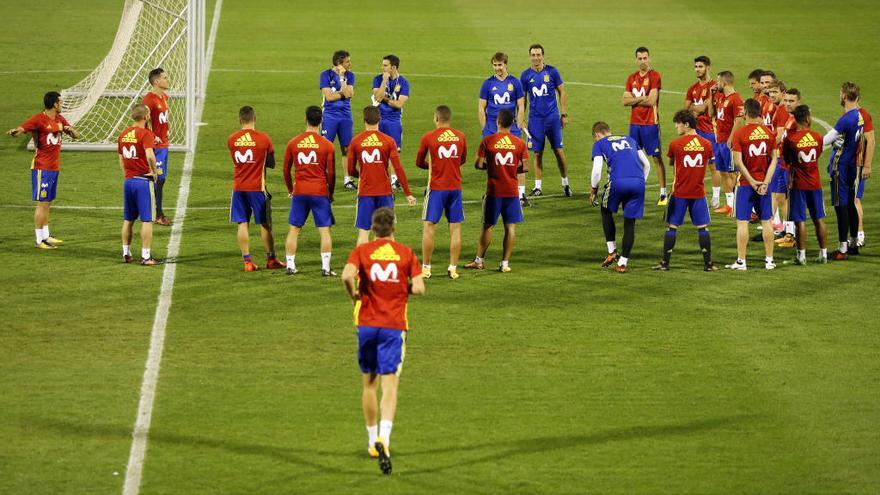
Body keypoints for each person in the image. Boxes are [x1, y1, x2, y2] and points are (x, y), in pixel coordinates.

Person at [341, 206, 425, 475]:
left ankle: (370, 440)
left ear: (373, 228)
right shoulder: (405, 254)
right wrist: (406, 288)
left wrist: (353, 294)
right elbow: (420, 288)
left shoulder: (362, 251)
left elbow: (345, 276)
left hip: (366, 324)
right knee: (390, 387)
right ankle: (384, 438)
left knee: (369, 384)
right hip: (393, 326)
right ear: (394, 228)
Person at [6, 91, 80, 249]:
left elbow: (75, 134)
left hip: (54, 167)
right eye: (60, 102)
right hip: (42, 167)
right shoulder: (39, 119)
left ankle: (46, 235)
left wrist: (72, 131)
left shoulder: (60, 118)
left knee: (48, 202)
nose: (62, 104)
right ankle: (39, 239)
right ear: (54, 104)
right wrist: (15, 131)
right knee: (42, 203)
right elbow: (23, 128)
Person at [465, 109, 529, 272]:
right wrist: (511, 169)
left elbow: (478, 164)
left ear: (497, 122)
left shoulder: (488, 141)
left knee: (487, 226)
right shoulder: (519, 143)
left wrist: (493, 167)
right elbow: (526, 167)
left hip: (494, 192)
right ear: (512, 123)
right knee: (510, 227)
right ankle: (505, 264)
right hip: (512, 192)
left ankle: (479, 261)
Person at [653, 110, 717, 271]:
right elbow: (712, 167)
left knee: (672, 227)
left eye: (678, 123)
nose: (676, 126)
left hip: (680, 192)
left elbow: (670, 163)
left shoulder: (676, 144)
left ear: (686, 124)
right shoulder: (707, 144)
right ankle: (708, 265)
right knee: (703, 227)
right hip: (698, 193)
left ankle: (665, 264)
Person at [227, 106, 285, 271]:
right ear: (255, 119)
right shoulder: (264, 139)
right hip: (257, 188)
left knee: (242, 224)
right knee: (266, 224)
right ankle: (271, 259)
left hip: (238, 188)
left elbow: (237, 161)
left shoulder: (232, 139)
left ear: (240, 120)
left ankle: (247, 262)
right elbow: (272, 164)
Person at [588, 121, 651, 273]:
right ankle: (622, 263)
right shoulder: (630, 139)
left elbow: (597, 171)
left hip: (617, 183)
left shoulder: (599, 144)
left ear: (597, 135)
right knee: (630, 223)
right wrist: (641, 182)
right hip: (638, 183)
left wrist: (594, 190)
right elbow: (647, 164)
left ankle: (612, 251)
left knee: (605, 209)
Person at [347, 106, 416, 245]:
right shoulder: (388, 141)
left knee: (363, 233)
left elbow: (350, 170)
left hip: (365, 192)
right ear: (380, 119)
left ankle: (362, 266)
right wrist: (408, 193)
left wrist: (362, 175)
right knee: (388, 233)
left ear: (364, 120)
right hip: (384, 192)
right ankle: (389, 263)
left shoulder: (356, 141)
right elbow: (398, 168)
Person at [283, 106, 337, 276]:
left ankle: (290, 266)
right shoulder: (327, 145)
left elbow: (286, 170)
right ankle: (326, 268)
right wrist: (331, 192)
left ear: (305, 119)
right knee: (324, 230)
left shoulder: (293, 143)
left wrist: (291, 189)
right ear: (321, 121)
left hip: (300, 191)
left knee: (294, 229)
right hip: (320, 192)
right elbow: (331, 173)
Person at [725, 98, 778, 270]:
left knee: (742, 222)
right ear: (759, 113)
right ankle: (769, 261)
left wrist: (752, 181)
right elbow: (774, 159)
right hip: (764, 184)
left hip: (746, 184)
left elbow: (739, 162)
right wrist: (765, 182)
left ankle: (742, 261)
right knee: (766, 221)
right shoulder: (769, 133)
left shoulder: (740, 134)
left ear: (746, 113)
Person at [415, 105, 467, 280]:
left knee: (429, 227)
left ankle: (426, 268)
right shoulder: (460, 136)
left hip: (436, 188)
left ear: (436, 118)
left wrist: (434, 166)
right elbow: (462, 159)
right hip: (455, 188)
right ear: (449, 119)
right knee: (456, 229)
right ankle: (452, 268)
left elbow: (418, 161)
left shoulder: (429, 137)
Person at [478, 52, 530, 207]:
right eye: (495, 65)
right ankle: (492, 191)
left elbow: (521, 105)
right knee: (492, 162)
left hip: (512, 128)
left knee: (518, 160)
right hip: (493, 129)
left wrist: (519, 125)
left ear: (506, 64)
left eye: (500, 65)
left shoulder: (515, 82)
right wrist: (485, 129)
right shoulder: (487, 84)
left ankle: (520, 194)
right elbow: (481, 107)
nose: (497, 68)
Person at [823, 82, 867, 259]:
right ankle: (854, 243)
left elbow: (826, 139)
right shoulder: (859, 116)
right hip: (852, 165)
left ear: (843, 96)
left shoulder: (847, 118)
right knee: (850, 204)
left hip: (841, 166)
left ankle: (842, 249)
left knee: (841, 206)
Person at [520, 44, 571, 198]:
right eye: (533, 55)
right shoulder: (525, 75)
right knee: (537, 153)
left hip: (552, 118)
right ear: (530, 56)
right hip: (535, 119)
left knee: (559, 151)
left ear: (543, 56)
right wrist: (521, 119)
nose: (536, 58)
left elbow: (562, 91)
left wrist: (563, 114)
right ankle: (538, 187)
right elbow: (523, 99)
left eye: (538, 55)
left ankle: (565, 183)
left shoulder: (552, 71)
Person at [782, 105, 828, 264]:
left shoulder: (790, 139)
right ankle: (824, 254)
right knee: (819, 218)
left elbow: (787, 160)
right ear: (808, 118)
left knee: (800, 220)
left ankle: (801, 256)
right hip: (815, 183)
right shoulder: (817, 137)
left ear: (795, 119)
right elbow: (818, 153)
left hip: (798, 184)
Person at [622, 46, 666, 205]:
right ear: (636, 59)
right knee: (634, 158)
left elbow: (652, 101)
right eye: (639, 58)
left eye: (645, 58)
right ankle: (635, 191)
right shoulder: (631, 78)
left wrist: (635, 99)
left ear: (649, 58)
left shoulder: (655, 76)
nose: (642, 61)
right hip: (635, 124)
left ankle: (662, 193)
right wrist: (642, 98)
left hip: (650, 124)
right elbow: (624, 100)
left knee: (656, 157)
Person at [117, 104, 159, 265]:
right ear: (146, 117)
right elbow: (150, 156)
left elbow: (121, 159)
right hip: (143, 182)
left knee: (128, 219)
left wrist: (127, 175)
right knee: (147, 220)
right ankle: (146, 256)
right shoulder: (145, 134)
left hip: (129, 181)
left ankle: (126, 253)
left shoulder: (123, 134)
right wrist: (154, 172)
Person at [684, 55, 721, 208]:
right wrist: (695, 109)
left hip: (710, 131)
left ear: (708, 67)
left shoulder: (713, 87)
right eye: (696, 67)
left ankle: (716, 198)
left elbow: (704, 109)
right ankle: (695, 194)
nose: (697, 69)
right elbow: (685, 109)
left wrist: (694, 108)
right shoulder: (692, 88)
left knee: (713, 166)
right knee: (695, 165)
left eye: (700, 66)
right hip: (696, 132)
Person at [708, 70, 744, 216]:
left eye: (718, 81)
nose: (716, 84)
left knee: (732, 173)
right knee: (723, 172)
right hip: (719, 140)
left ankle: (736, 205)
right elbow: (711, 114)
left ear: (725, 82)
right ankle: (729, 204)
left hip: (729, 142)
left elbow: (739, 121)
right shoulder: (720, 97)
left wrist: (730, 139)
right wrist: (711, 95)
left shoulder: (736, 99)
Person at [371, 54, 410, 191]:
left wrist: (385, 99)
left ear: (393, 67)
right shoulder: (377, 79)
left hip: (394, 121)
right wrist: (384, 81)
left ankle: (394, 179)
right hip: (378, 121)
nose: (382, 67)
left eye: (385, 65)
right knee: (378, 150)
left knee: (395, 152)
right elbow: (377, 97)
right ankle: (380, 178)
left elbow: (399, 104)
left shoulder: (404, 83)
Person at [320, 50, 356, 190]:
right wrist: (343, 94)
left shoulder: (349, 75)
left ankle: (348, 179)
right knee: (325, 148)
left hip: (346, 116)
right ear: (338, 63)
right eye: (347, 61)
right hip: (329, 115)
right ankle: (322, 177)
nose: (350, 63)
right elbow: (329, 97)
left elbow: (350, 94)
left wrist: (341, 78)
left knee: (346, 148)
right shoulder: (325, 75)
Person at [143, 68, 172, 226]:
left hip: (163, 145)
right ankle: (157, 214)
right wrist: (153, 136)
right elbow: (142, 122)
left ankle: (157, 212)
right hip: (155, 147)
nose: (168, 80)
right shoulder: (149, 100)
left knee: (160, 180)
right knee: (157, 179)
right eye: (165, 78)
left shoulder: (164, 97)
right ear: (156, 82)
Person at [766, 80, 793, 237]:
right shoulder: (778, 109)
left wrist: (765, 147)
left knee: (782, 197)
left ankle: (789, 231)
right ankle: (784, 229)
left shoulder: (782, 111)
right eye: (770, 92)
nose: (771, 95)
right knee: (779, 195)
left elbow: (780, 136)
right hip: (779, 158)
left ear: (783, 92)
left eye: (775, 92)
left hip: (781, 159)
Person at [854, 104, 874, 249]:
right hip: (849, 165)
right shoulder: (850, 114)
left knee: (855, 200)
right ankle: (854, 235)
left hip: (857, 165)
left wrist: (866, 165)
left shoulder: (863, 115)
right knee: (849, 201)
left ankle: (860, 235)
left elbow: (871, 141)